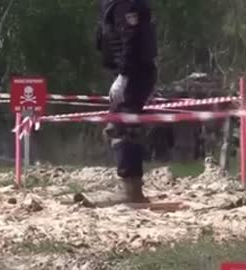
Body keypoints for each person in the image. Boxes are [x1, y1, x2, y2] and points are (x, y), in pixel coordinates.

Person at [95, 0, 158, 204]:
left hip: (134, 73)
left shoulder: (127, 4)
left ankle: (131, 190)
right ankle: (129, 185)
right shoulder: (112, 4)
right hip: (127, 72)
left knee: (123, 127)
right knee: (116, 127)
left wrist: (124, 76)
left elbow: (132, 39)